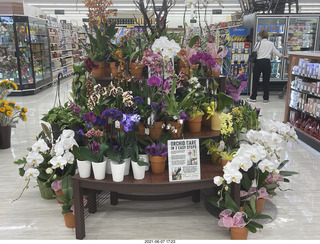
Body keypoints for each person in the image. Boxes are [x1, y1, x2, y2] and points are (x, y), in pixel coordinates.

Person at [247, 30, 288, 103]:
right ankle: (266, 98)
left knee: (255, 80)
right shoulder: (271, 44)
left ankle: (253, 97)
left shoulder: (258, 43)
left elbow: (254, 51)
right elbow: (276, 52)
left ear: (260, 36)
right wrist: (283, 56)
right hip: (267, 63)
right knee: (266, 81)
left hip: (258, 62)